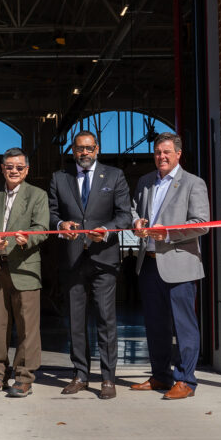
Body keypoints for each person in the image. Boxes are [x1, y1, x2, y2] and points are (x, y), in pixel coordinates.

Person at [48, 130, 132, 400]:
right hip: (72, 260)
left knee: (106, 320)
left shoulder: (115, 176)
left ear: (97, 149)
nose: (84, 153)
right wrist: (61, 226)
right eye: (79, 149)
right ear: (73, 151)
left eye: (88, 148)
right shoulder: (60, 178)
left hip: (103, 258)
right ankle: (81, 374)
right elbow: (51, 214)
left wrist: (106, 230)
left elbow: (124, 215)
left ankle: (108, 378)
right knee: (75, 321)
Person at [129, 132, 210, 400]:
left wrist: (168, 234)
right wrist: (137, 222)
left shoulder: (193, 183)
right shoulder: (145, 182)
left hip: (179, 265)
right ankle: (161, 376)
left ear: (178, 154)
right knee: (155, 326)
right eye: (157, 152)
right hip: (150, 264)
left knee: (184, 326)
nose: (161, 157)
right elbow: (134, 210)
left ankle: (186, 379)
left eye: (166, 152)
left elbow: (201, 223)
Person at [0, 147, 48, 398]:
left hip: (25, 268)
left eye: (19, 167)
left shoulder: (37, 195)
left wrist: (24, 240)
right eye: (10, 166)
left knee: (28, 326)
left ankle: (24, 376)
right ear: (2, 168)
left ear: (27, 170)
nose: (14, 171)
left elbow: (42, 228)